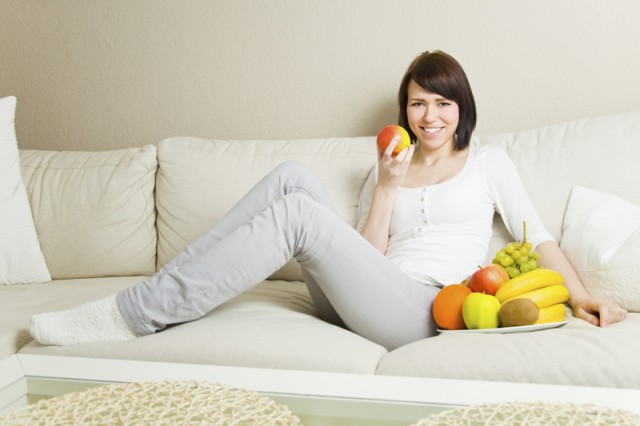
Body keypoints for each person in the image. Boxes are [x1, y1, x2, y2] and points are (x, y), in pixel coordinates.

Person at [29, 50, 627, 351]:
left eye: (444, 103)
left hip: (423, 312)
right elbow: (366, 255)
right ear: (406, 113)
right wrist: (387, 187)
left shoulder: (490, 163)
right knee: (292, 178)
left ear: (462, 109)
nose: (431, 115)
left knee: (296, 213)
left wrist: (581, 297)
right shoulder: (388, 165)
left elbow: (540, 238)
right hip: (367, 297)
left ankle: (134, 314)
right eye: (419, 103)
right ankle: (167, 288)